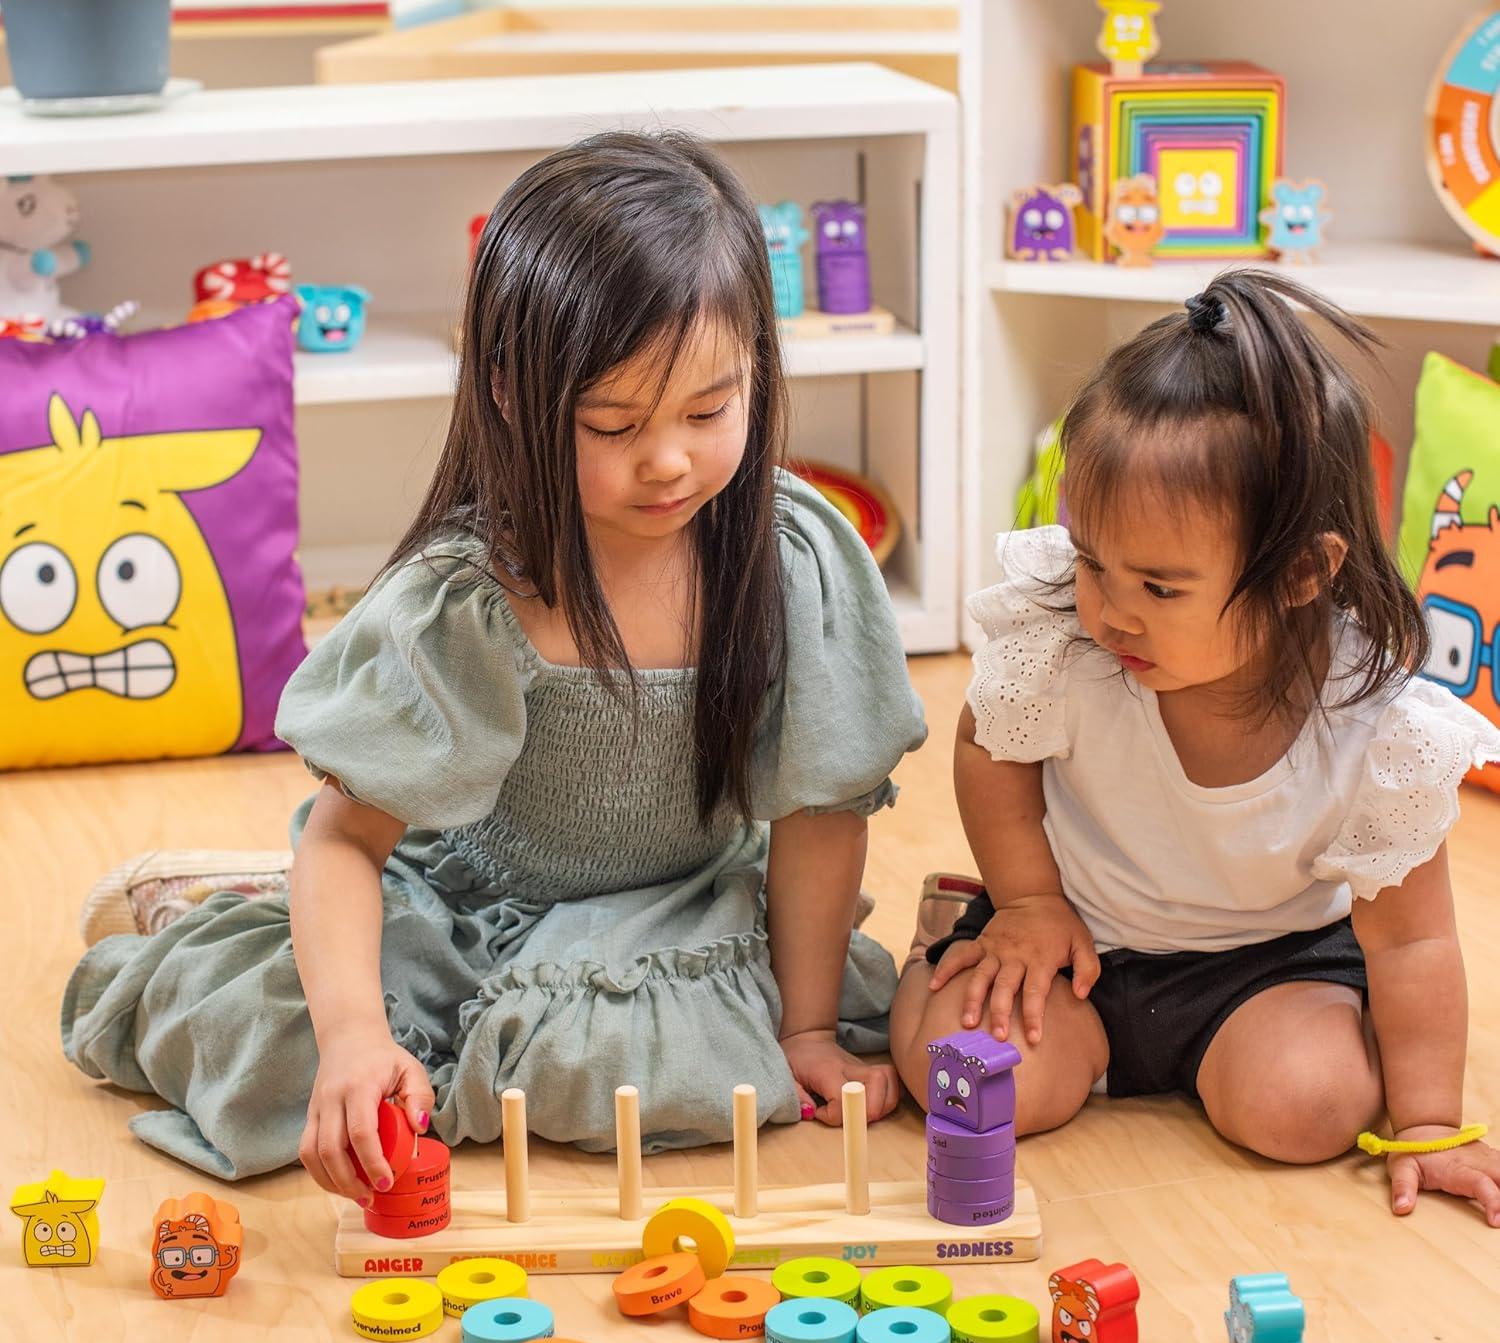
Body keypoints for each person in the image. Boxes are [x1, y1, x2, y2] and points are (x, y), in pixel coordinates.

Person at [63, 131, 926, 1194]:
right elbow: (348, 837)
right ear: (514, 393)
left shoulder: (787, 557)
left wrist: (804, 1028)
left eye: (710, 411)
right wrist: (348, 1039)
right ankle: (214, 901)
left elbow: (820, 813)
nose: (668, 461)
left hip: (675, 908)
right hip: (458, 905)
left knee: (622, 1069)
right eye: (614, 424)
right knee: (272, 1050)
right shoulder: (472, 596)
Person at [892, 269, 1500, 1226]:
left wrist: (1428, 1122)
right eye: (1092, 561)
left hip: (1268, 968)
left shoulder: (1371, 724)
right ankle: (943, 949)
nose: (1109, 608)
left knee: (1310, 1108)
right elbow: (989, 741)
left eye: (1160, 588)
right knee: (969, 1083)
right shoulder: (1071, 641)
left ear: (1304, 570)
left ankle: (1229, 1063)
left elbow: (1415, 939)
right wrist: (1030, 901)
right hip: (1075, 942)